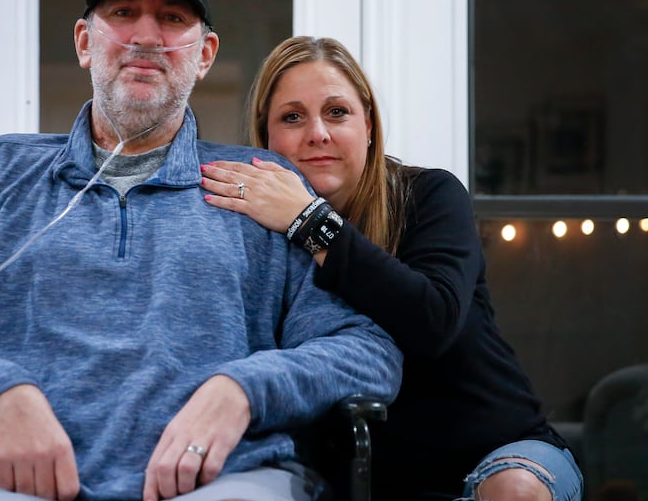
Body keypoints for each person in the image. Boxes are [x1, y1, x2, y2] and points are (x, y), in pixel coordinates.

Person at [0, 0, 403, 501]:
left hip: (226, 483)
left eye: (173, 19)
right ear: (84, 42)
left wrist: (241, 390)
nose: (146, 36)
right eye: (123, 13)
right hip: (1, 483)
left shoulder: (264, 186)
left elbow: (365, 350)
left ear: (204, 56)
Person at [200, 36, 585, 501]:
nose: (317, 132)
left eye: (337, 112)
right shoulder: (259, 236)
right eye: (292, 116)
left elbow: (432, 321)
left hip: (498, 452)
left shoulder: (430, 196)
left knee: (514, 491)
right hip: (364, 479)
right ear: (266, 137)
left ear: (368, 125)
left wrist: (309, 222)